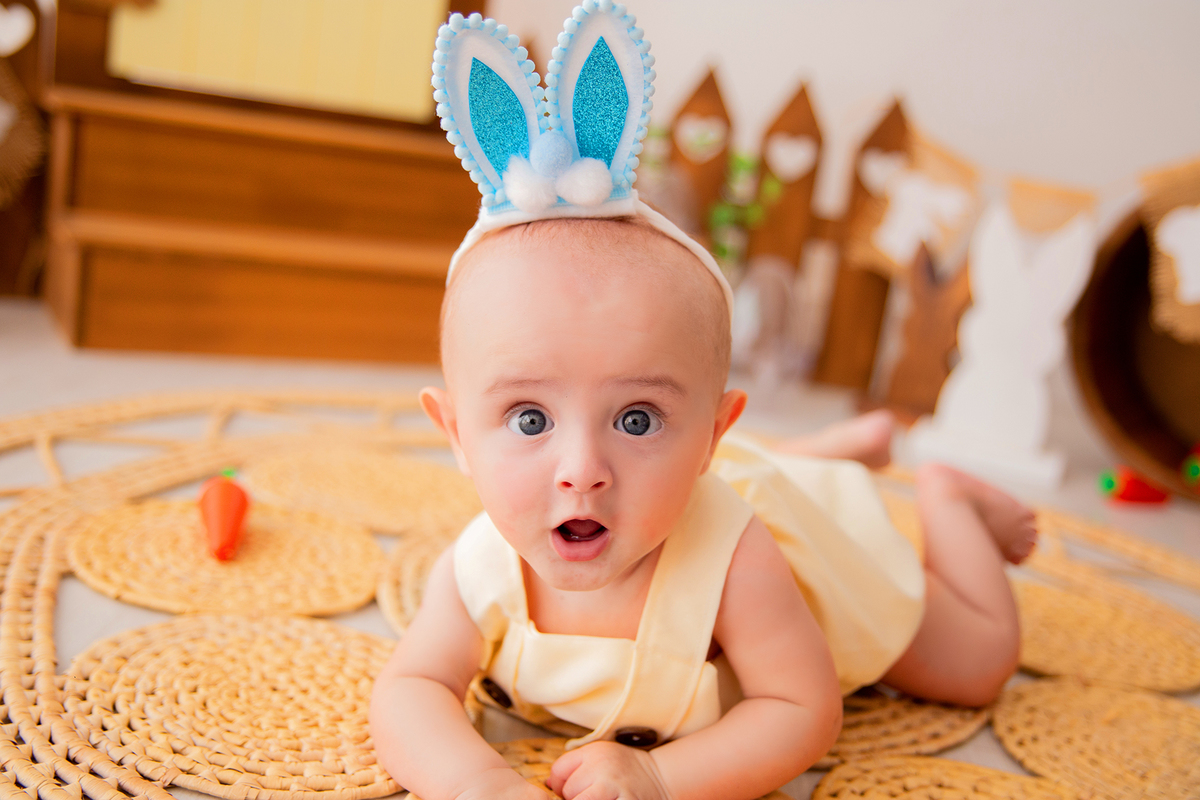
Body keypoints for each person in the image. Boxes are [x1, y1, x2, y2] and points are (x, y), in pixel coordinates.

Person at [370, 8, 1036, 799]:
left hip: (797, 539)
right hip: (719, 472)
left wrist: (657, 774)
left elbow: (801, 707)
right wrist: (478, 783)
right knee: (735, 471)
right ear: (454, 432)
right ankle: (830, 446)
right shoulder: (480, 565)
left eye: (637, 418)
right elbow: (411, 689)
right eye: (529, 419)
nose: (582, 471)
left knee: (978, 664)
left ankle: (945, 496)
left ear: (713, 431)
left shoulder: (738, 562)